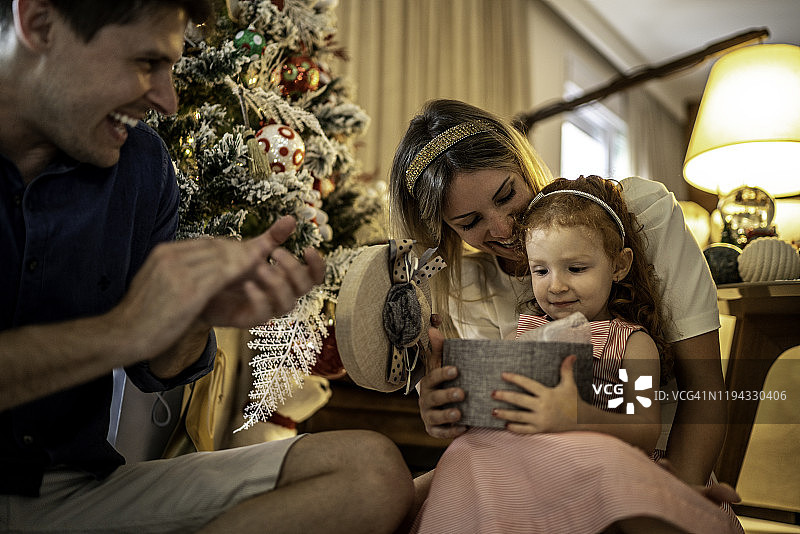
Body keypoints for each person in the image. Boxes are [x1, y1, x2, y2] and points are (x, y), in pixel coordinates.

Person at [0, 1, 412, 532]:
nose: (169, 101)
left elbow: (162, 369)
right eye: (146, 62)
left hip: (71, 490)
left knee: (370, 471)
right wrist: (123, 330)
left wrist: (196, 314)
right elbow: (126, 337)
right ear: (39, 24)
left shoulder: (142, 165)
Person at [388, 100, 733, 514]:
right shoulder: (461, 285)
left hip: (647, 474)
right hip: (537, 481)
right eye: (469, 223)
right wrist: (448, 410)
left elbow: (700, 391)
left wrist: (676, 498)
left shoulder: (637, 216)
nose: (503, 228)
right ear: (444, 229)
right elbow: (500, 424)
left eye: (506, 195)